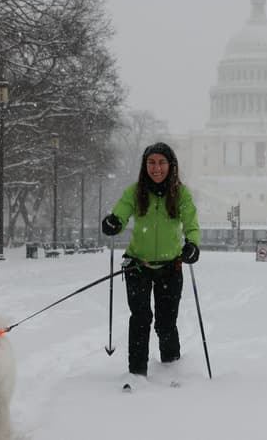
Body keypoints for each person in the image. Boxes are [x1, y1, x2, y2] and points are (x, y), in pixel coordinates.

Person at [101, 142, 200, 378]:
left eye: (161, 163)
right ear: (145, 165)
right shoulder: (135, 192)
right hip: (138, 265)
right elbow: (122, 213)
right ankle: (137, 373)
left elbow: (191, 223)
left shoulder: (181, 194)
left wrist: (193, 244)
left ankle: (171, 367)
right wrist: (114, 222)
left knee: (166, 322)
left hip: (170, 267)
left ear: (171, 165)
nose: (156, 168)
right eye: (151, 163)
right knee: (141, 319)